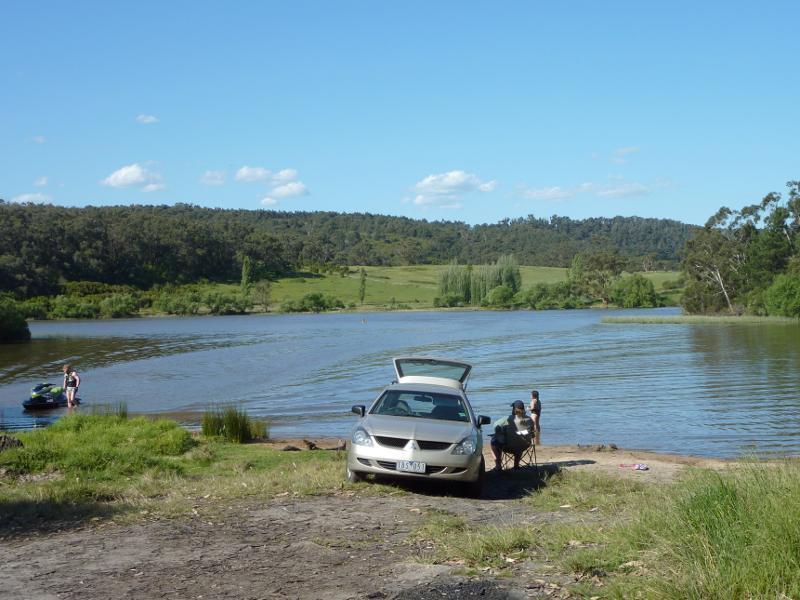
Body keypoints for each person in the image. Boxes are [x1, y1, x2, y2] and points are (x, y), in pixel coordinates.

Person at [490, 400, 534, 471]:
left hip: (509, 447)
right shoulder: (530, 419)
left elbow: (495, 425)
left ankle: (498, 466)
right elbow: (532, 435)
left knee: (493, 440)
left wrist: (499, 432)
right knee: (520, 439)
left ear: (513, 409)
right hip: (524, 446)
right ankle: (516, 465)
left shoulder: (508, 419)